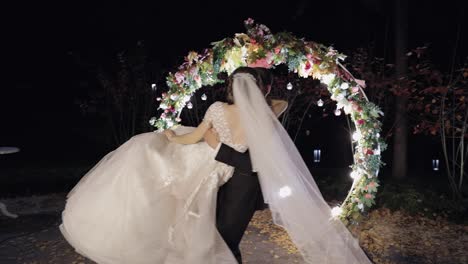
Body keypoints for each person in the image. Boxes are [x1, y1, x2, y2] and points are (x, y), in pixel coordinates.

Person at [60, 66, 372, 264]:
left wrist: (171, 136)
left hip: (218, 170)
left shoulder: (225, 110)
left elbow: (193, 138)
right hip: (222, 175)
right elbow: (280, 104)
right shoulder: (265, 114)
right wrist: (256, 92)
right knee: (210, 236)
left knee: (213, 234)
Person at [203, 67, 287, 263]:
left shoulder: (265, 115)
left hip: (245, 185)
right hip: (220, 182)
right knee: (216, 241)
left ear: (264, 89)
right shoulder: (227, 111)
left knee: (227, 242)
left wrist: (219, 147)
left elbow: (254, 164)